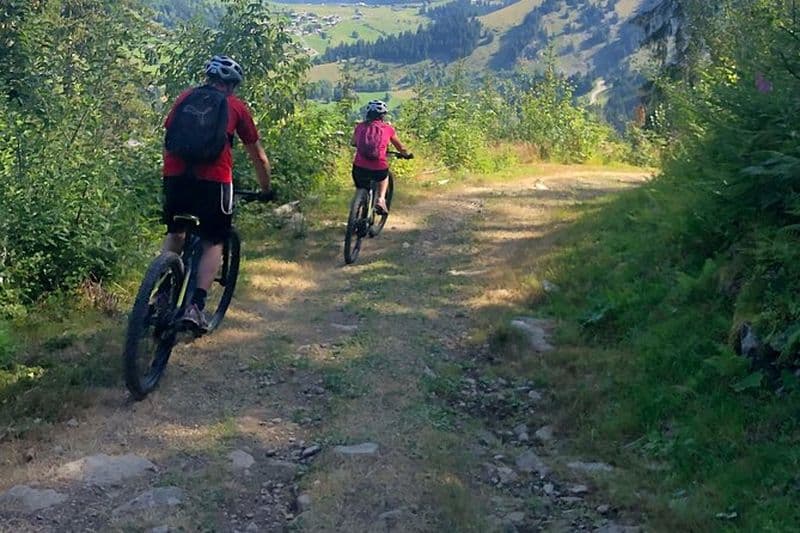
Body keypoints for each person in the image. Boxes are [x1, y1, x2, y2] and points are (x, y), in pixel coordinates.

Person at [161, 54, 273, 331]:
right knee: (214, 240)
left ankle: (160, 294)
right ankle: (196, 307)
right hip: (214, 180)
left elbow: (168, 140)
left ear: (208, 78)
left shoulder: (185, 97)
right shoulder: (236, 107)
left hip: (175, 176)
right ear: (232, 85)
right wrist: (266, 189)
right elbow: (259, 157)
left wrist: (170, 174)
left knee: (175, 232)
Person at [351, 100, 410, 214]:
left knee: (362, 186)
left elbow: (353, 142)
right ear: (383, 115)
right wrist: (406, 154)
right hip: (379, 167)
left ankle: (357, 208)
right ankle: (381, 199)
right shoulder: (388, 129)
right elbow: (400, 148)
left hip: (359, 167)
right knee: (384, 176)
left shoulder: (360, 127)